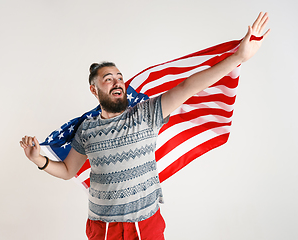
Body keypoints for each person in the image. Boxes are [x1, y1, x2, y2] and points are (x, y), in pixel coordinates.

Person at [20, 12, 270, 240]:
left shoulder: (146, 114)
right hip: (103, 229)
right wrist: (38, 160)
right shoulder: (86, 129)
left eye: (120, 78)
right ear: (93, 90)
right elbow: (67, 170)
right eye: (108, 79)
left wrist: (238, 57)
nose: (117, 82)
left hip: (146, 225)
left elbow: (188, 86)